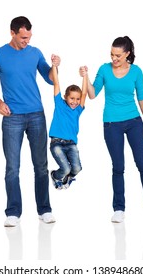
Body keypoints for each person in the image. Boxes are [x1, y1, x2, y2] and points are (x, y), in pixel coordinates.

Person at [0, 16, 61, 226]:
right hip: (12, 117)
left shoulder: (35, 53)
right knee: (12, 167)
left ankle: (44, 209)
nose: (27, 41)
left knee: (41, 166)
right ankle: (13, 212)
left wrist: (55, 66)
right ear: (12, 33)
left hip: (36, 116)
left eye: (29, 37)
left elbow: (49, 78)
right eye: (23, 37)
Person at [79, 36, 143, 223]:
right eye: (112, 54)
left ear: (127, 54)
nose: (114, 58)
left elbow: (142, 98)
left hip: (134, 121)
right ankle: (119, 209)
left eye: (118, 55)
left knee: (142, 164)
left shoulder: (136, 72)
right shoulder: (104, 69)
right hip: (111, 123)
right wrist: (85, 77)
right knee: (118, 167)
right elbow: (92, 95)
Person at [49, 59, 88, 190]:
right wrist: (54, 66)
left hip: (71, 143)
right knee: (65, 168)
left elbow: (84, 93)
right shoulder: (59, 104)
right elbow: (56, 84)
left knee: (77, 168)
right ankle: (55, 175)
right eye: (72, 98)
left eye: (77, 99)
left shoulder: (78, 110)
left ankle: (68, 177)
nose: (75, 101)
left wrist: (85, 76)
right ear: (65, 97)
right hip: (57, 143)